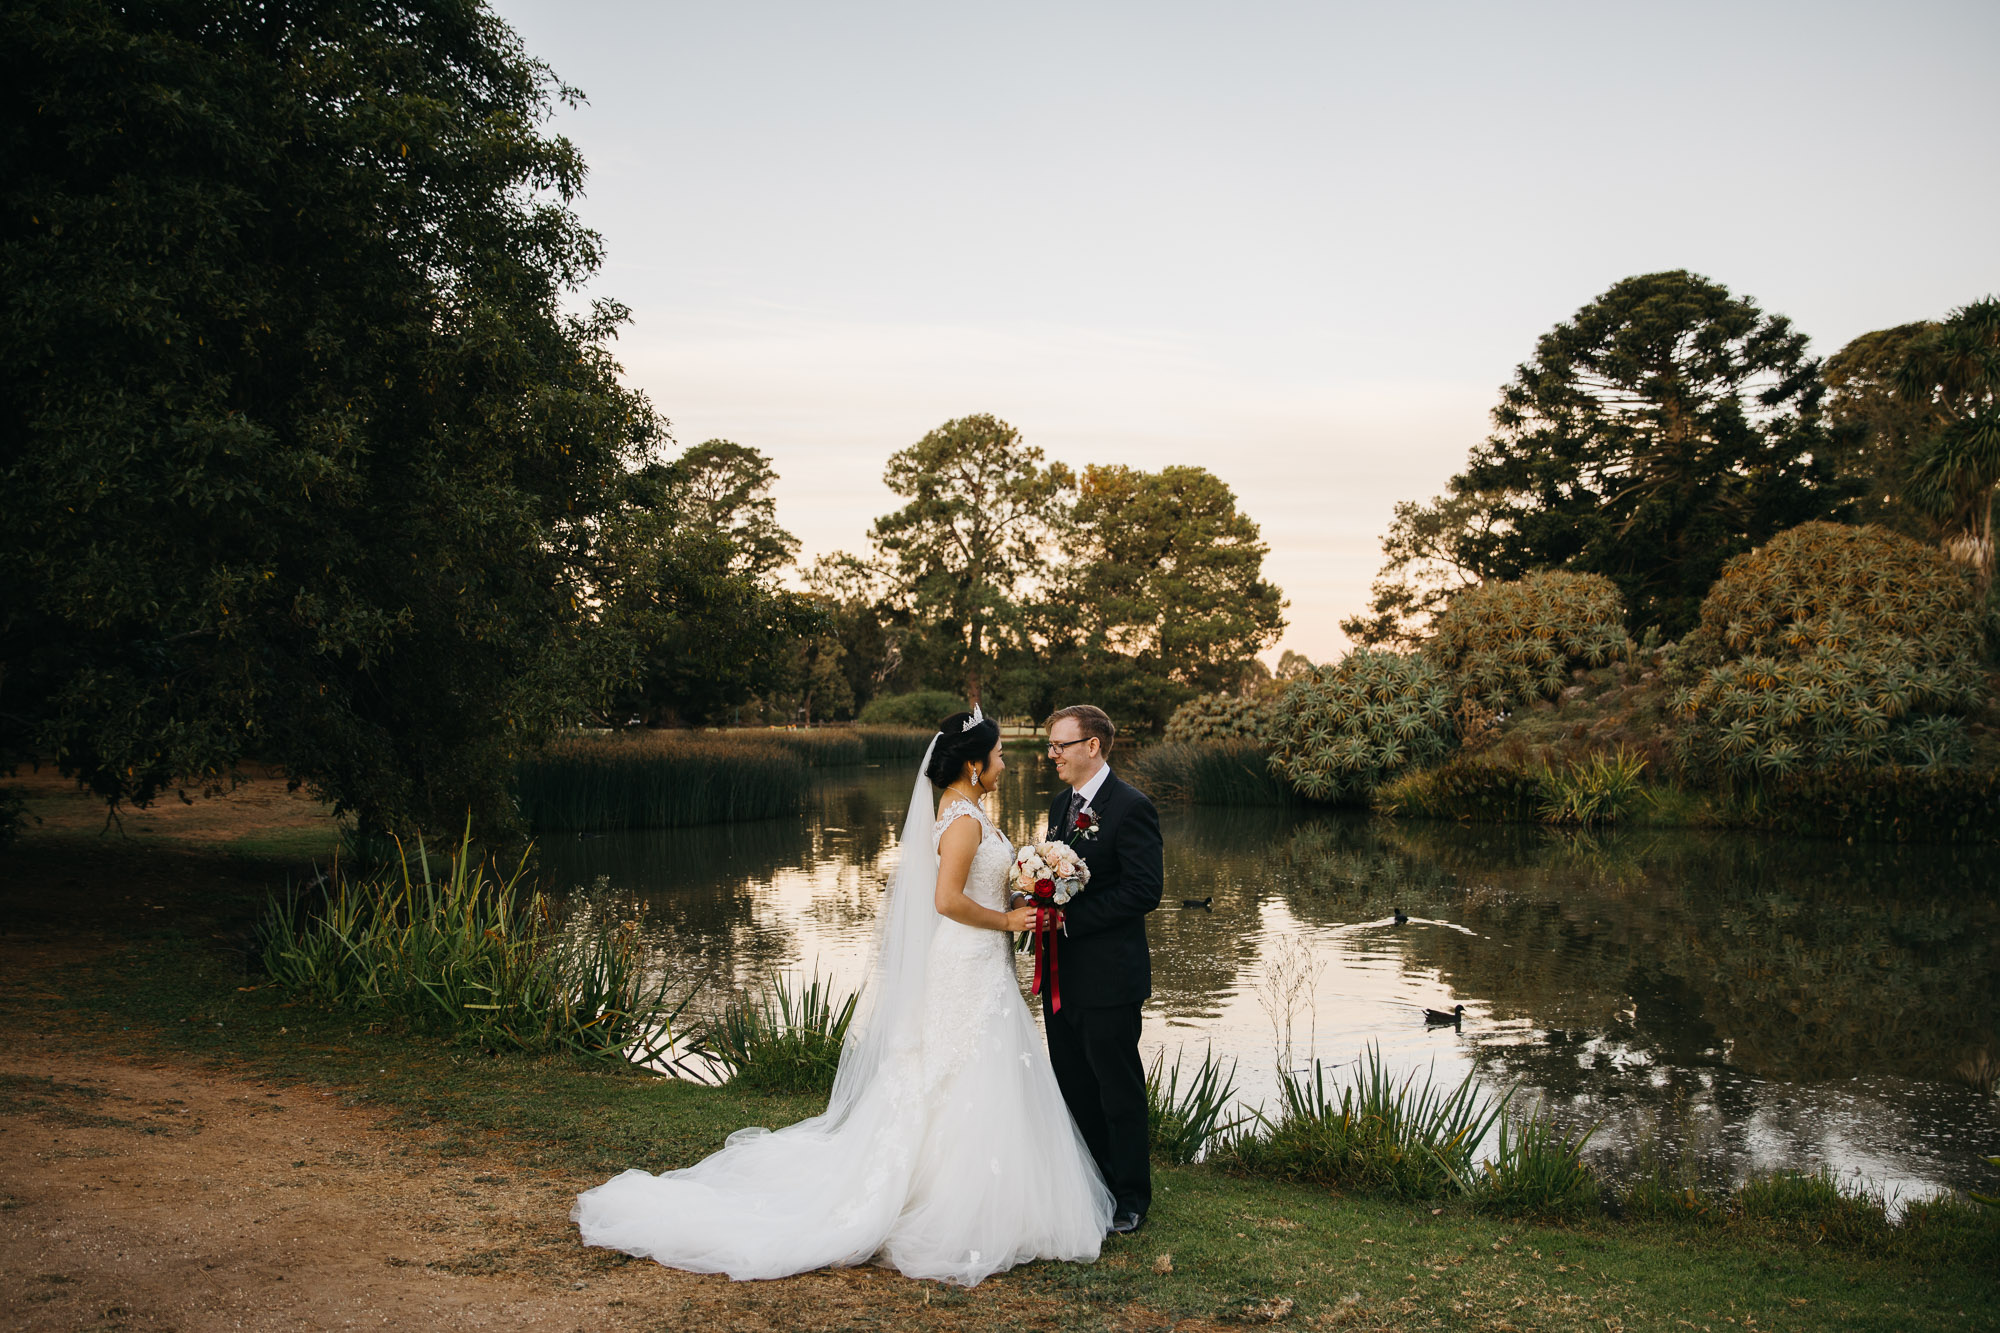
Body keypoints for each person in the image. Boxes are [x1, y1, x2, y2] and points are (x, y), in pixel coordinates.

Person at [571, 708, 1113, 1285]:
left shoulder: (971, 810)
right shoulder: (960, 820)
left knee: (975, 1069)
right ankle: (953, 1200)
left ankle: (982, 1191)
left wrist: (1030, 888)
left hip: (981, 960)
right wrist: (1008, 922)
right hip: (967, 960)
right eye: (999, 754)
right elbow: (947, 901)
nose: (1006, 762)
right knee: (963, 1068)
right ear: (975, 765)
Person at [1037, 704, 1163, 1235]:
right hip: (1061, 977)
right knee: (1074, 1085)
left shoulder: (1132, 806)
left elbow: (1144, 890)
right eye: (1050, 746)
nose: (1052, 755)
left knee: (1117, 1089)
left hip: (1109, 978)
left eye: (1060, 746)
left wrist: (1068, 921)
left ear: (1092, 746)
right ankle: (1093, 1185)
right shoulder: (1061, 804)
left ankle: (1131, 1197)